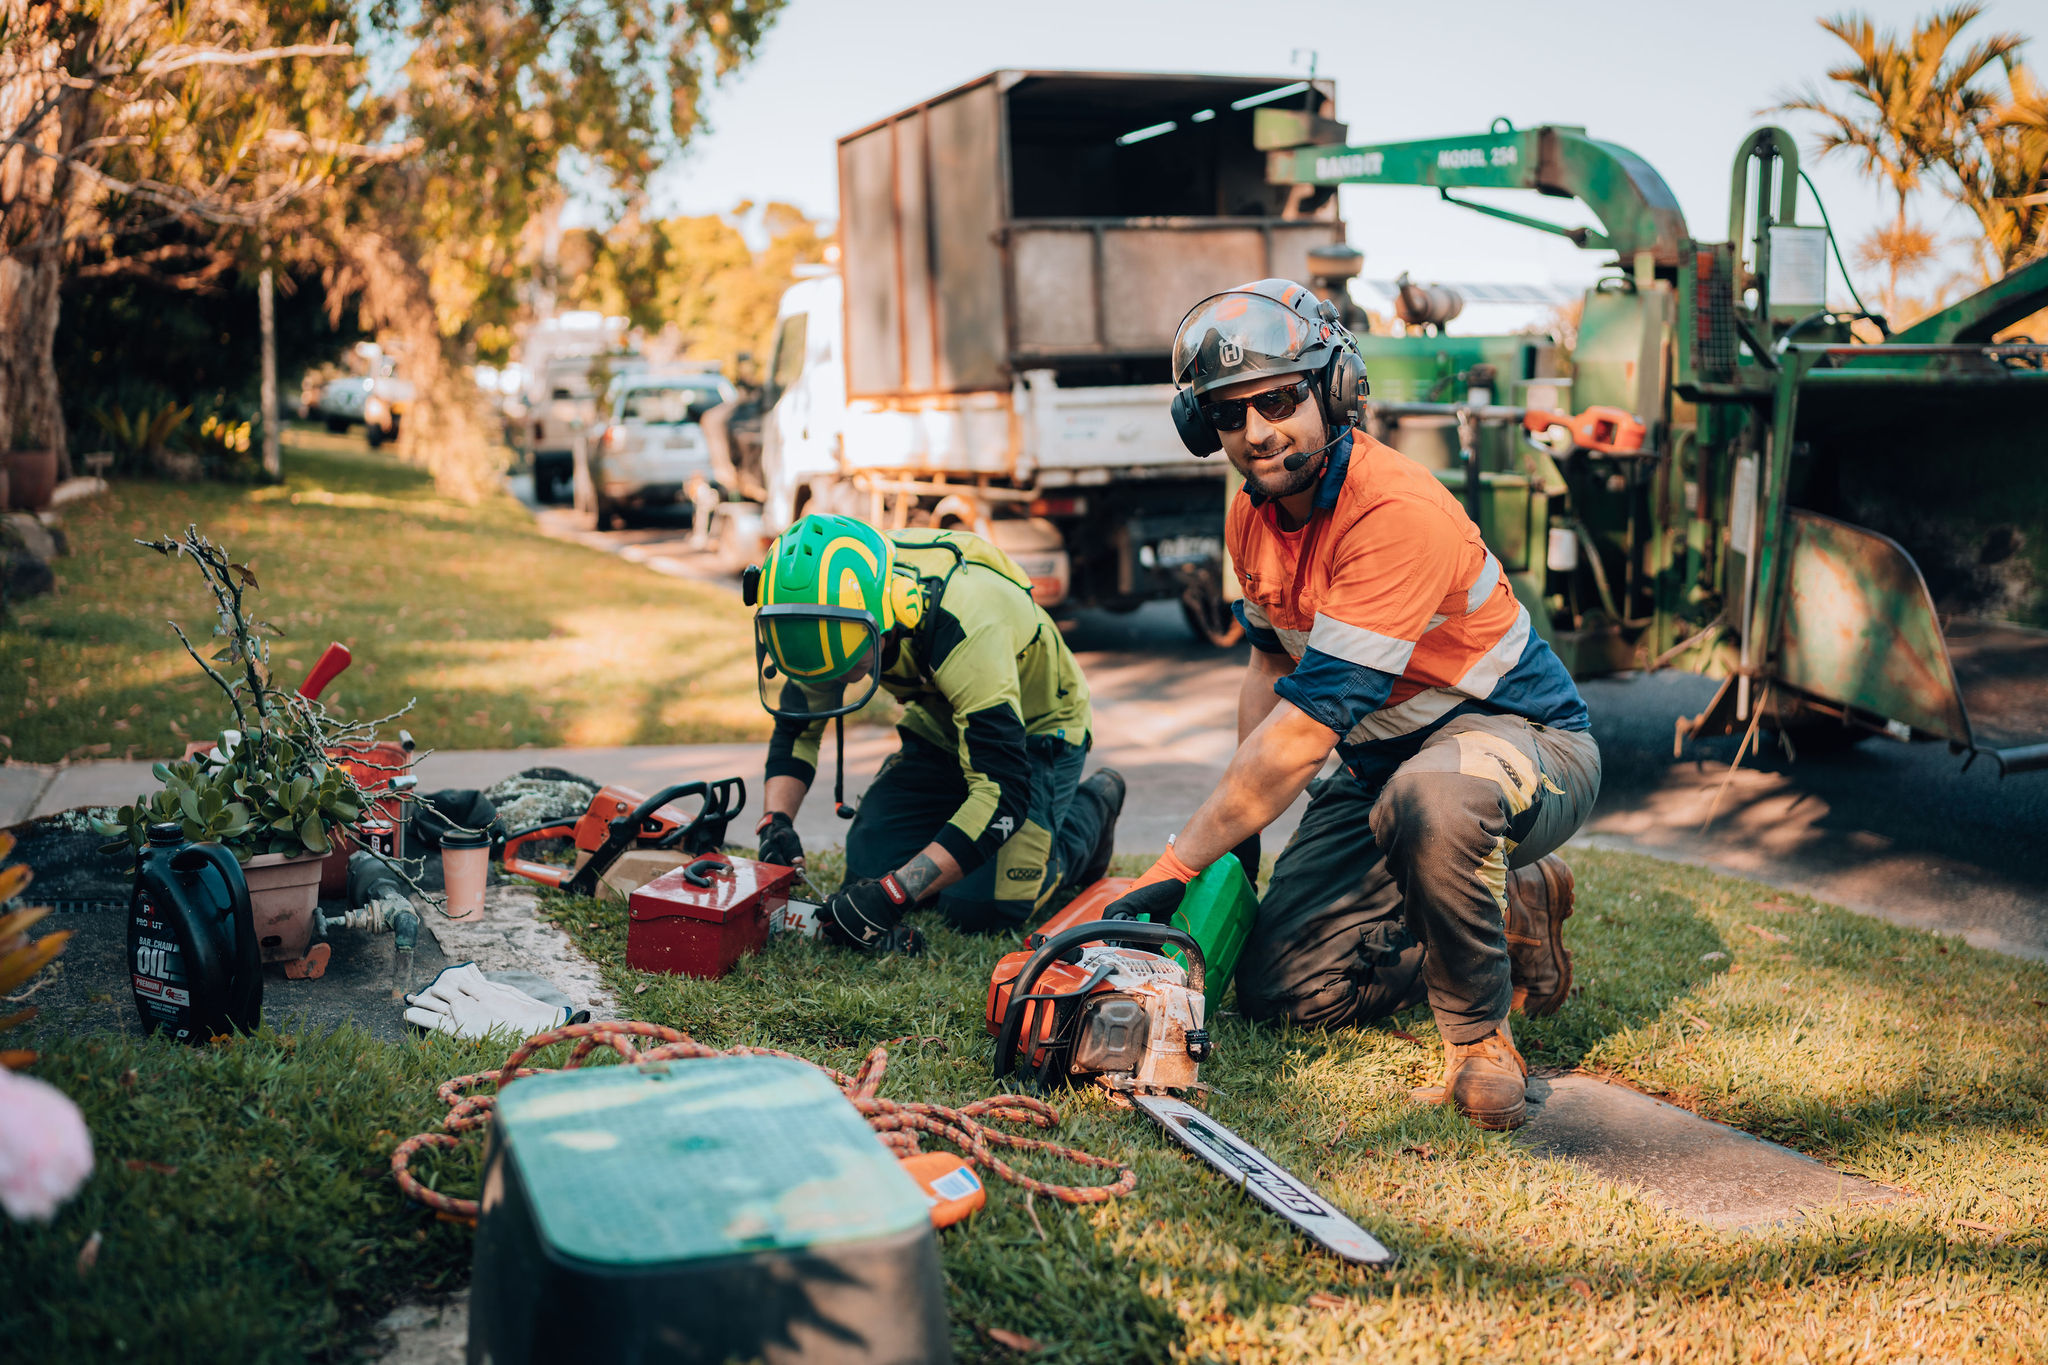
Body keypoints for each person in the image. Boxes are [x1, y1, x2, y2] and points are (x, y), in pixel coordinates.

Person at [1108, 279, 1601, 1130]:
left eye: (1279, 398)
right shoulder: (1249, 520)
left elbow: (1302, 738)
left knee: (1433, 801)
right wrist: (1243, 847)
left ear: (1333, 389)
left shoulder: (1392, 511)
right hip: (1385, 767)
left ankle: (1481, 1038)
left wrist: (1176, 863)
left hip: (1526, 746)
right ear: (1205, 429)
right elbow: (1267, 675)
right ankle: (1504, 912)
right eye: (1230, 414)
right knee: (1285, 990)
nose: (1258, 431)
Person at [750, 514, 1125, 951]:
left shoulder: (966, 623)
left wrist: (895, 895)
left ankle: (1092, 809)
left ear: (887, 619)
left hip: (1034, 732)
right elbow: (798, 728)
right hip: (940, 726)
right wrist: (775, 823)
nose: (833, 679)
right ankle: (949, 812)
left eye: (848, 663)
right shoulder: (830, 599)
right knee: (867, 868)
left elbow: (1002, 793)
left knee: (982, 908)